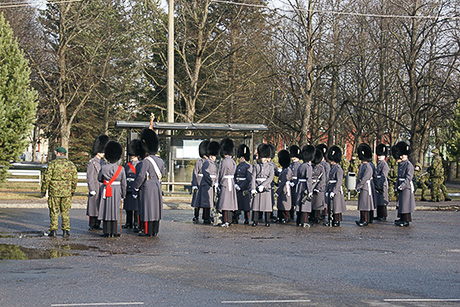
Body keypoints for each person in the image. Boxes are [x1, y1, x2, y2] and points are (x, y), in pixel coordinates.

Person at [133, 128, 165, 236]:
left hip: (148, 186)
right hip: (157, 185)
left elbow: (141, 176)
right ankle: (155, 231)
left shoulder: (146, 161)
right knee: (156, 209)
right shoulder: (160, 161)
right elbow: (163, 174)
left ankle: (147, 231)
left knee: (147, 209)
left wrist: (136, 188)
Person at [41, 147, 77, 237]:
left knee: (54, 211)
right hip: (66, 192)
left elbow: (47, 178)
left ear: (58, 153)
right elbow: (74, 179)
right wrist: (72, 190)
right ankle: (66, 230)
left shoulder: (52, 164)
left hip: (54, 191)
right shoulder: (71, 164)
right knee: (65, 211)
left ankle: (53, 230)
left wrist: (43, 190)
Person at [98, 141, 126, 237]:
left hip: (106, 189)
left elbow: (99, 178)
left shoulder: (104, 167)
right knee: (114, 210)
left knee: (106, 210)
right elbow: (124, 183)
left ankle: (106, 231)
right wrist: (123, 194)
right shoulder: (121, 169)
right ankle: (114, 231)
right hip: (117, 190)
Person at [86, 135, 109, 231]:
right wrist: (91, 189)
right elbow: (90, 177)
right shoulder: (92, 162)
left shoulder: (104, 162)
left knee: (100, 206)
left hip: (102, 186)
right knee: (93, 207)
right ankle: (92, 224)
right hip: (95, 186)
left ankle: (97, 224)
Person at [392, 141, 416, 227]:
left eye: (403, 155)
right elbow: (399, 177)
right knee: (401, 203)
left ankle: (406, 220)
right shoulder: (401, 164)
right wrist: (396, 186)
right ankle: (401, 218)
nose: (401, 156)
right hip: (401, 185)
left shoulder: (409, 165)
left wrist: (402, 186)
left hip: (406, 186)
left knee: (406, 204)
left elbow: (408, 178)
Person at [196, 141, 220, 224]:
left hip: (211, 183)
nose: (215, 157)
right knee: (206, 202)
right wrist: (212, 182)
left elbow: (216, 174)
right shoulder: (206, 162)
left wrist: (216, 182)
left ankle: (207, 216)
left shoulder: (213, 163)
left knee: (210, 202)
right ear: (210, 156)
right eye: (214, 156)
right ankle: (206, 217)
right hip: (207, 184)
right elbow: (206, 173)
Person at [251, 143, 274, 227]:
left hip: (266, 187)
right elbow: (253, 177)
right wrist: (253, 188)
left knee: (267, 205)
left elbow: (270, 178)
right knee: (256, 205)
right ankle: (255, 220)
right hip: (257, 186)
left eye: (264, 157)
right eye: (261, 157)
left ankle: (267, 221)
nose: (262, 159)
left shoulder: (270, 166)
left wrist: (263, 185)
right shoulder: (256, 166)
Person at [123, 140, 144, 230]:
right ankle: (128, 222)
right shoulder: (127, 165)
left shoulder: (140, 164)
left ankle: (136, 222)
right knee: (128, 207)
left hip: (135, 186)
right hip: (128, 186)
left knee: (135, 208)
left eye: (133, 155)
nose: (132, 157)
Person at [217, 138, 238, 227]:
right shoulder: (232, 161)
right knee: (230, 203)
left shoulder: (224, 161)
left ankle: (225, 220)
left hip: (225, 182)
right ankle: (229, 220)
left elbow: (222, 173)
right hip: (231, 182)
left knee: (225, 203)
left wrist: (220, 182)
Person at [324, 146, 346, 227]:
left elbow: (339, 181)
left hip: (336, 190)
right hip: (330, 187)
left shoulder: (338, 169)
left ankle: (336, 220)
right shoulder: (332, 168)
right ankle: (330, 219)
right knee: (331, 206)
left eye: (333, 160)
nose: (331, 162)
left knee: (337, 206)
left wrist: (334, 191)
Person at [295, 145, 315, 228]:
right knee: (305, 205)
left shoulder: (301, 166)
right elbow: (309, 179)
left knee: (299, 203)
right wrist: (310, 191)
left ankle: (299, 221)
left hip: (300, 185)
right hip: (305, 186)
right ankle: (304, 221)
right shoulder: (308, 167)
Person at [355, 143, 375, 227]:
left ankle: (365, 220)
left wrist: (358, 186)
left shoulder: (368, 167)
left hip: (366, 187)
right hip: (363, 186)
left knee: (365, 204)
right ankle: (363, 219)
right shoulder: (362, 165)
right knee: (363, 204)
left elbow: (364, 178)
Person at [191, 140, 209, 223]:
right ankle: (196, 215)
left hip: (206, 183)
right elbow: (195, 173)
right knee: (197, 201)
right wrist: (194, 184)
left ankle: (206, 216)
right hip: (199, 182)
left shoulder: (210, 162)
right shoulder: (199, 162)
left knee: (206, 201)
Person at [234, 144, 252, 224]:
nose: (239, 159)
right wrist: (235, 184)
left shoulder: (248, 166)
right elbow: (235, 175)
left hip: (244, 188)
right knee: (237, 204)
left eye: (240, 157)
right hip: (237, 186)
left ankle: (247, 218)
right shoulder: (238, 166)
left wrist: (241, 186)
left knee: (246, 205)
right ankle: (236, 217)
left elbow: (248, 179)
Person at [275, 150, 292, 224]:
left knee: (285, 204)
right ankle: (280, 217)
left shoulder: (287, 171)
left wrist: (278, 191)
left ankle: (286, 217)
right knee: (280, 204)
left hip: (285, 189)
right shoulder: (284, 170)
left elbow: (283, 182)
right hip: (282, 187)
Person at [374, 143, 390, 221]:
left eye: (381, 155)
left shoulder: (384, 165)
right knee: (379, 200)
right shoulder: (379, 164)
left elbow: (384, 175)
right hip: (378, 183)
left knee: (382, 201)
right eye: (379, 155)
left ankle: (383, 215)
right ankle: (379, 215)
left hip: (382, 184)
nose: (380, 156)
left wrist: (379, 185)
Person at [311, 148, 327, 224]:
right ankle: (311, 216)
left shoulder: (321, 168)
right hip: (311, 185)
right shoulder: (310, 167)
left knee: (317, 204)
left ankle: (316, 217)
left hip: (318, 187)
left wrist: (318, 187)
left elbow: (323, 179)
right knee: (311, 203)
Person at [316, 144, 329, 220]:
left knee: (322, 200)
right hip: (317, 183)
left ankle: (323, 213)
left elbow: (326, 175)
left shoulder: (325, 164)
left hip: (323, 184)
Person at [288, 145, 302, 221]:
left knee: (297, 201)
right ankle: (291, 215)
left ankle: (298, 216)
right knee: (291, 201)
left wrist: (295, 182)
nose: (292, 158)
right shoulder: (291, 165)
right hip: (291, 184)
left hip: (297, 185)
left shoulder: (300, 165)